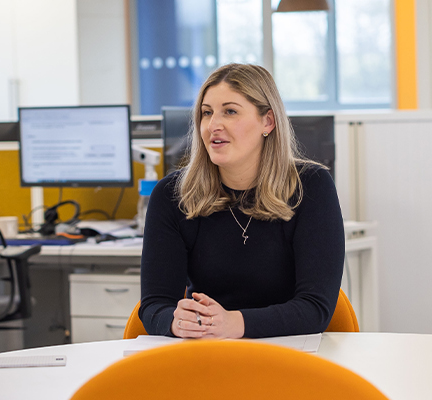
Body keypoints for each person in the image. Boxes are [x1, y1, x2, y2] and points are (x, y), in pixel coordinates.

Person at [137, 63, 346, 339]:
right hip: (206, 351)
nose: (213, 126)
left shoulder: (311, 186)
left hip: (289, 354)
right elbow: (154, 305)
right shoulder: (173, 194)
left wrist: (233, 324)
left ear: (267, 122)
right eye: (206, 113)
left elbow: (315, 308)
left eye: (230, 112)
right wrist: (177, 322)